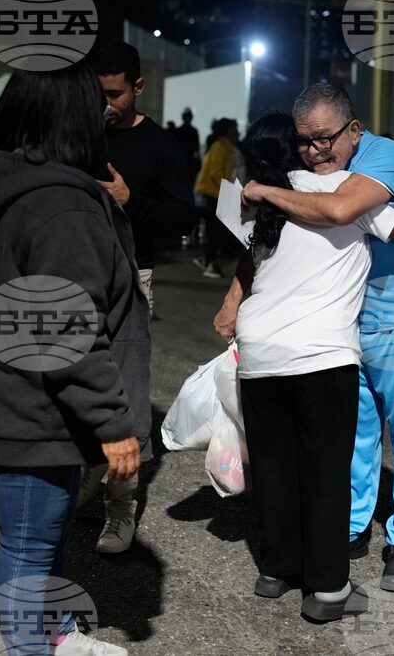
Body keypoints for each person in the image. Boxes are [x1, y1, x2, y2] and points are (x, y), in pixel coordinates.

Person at [213, 112, 394, 621]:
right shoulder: (338, 191)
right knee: (325, 472)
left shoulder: (254, 199)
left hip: (260, 351)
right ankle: (329, 590)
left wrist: (230, 303)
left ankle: (276, 571)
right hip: (320, 355)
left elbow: (249, 260)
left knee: (274, 468)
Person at [0, 62, 147, 656]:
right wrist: (114, 423)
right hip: (34, 413)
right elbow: (67, 331)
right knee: (27, 548)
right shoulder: (61, 205)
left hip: (37, 407)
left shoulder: (31, 189)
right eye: (93, 104)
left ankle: (58, 635)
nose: (104, 113)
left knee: (44, 540)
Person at [88, 38, 197, 554]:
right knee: (71, 382)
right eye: (97, 95)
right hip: (76, 274)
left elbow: (183, 217)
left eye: (114, 95)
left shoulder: (160, 145)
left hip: (133, 275)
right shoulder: (81, 133)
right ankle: (80, 483)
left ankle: (120, 507)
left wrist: (131, 200)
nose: (105, 105)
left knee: (124, 391)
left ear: (138, 86)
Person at [194, 118, 246, 278]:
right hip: (215, 194)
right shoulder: (220, 147)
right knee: (215, 230)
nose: (238, 133)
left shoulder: (226, 147)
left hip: (218, 193)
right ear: (228, 131)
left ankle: (208, 260)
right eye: (235, 130)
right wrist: (228, 192)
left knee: (214, 230)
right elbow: (216, 173)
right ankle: (210, 263)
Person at [173, 107, 202, 183]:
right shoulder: (193, 131)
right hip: (187, 164)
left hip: (184, 163)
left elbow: (196, 149)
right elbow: (197, 150)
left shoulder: (178, 131)